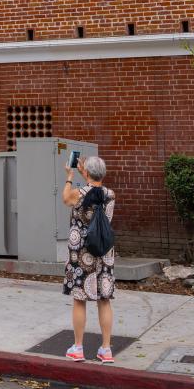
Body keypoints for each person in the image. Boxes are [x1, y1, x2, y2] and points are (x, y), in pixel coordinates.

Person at [62, 154, 115, 363]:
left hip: (82, 253)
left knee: (79, 298)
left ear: (87, 173)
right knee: (104, 299)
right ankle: (106, 349)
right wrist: (85, 172)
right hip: (104, 252)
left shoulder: (79, 193)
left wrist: (70, 176)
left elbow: (66, 198)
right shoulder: (110, 194)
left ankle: (78, 348)